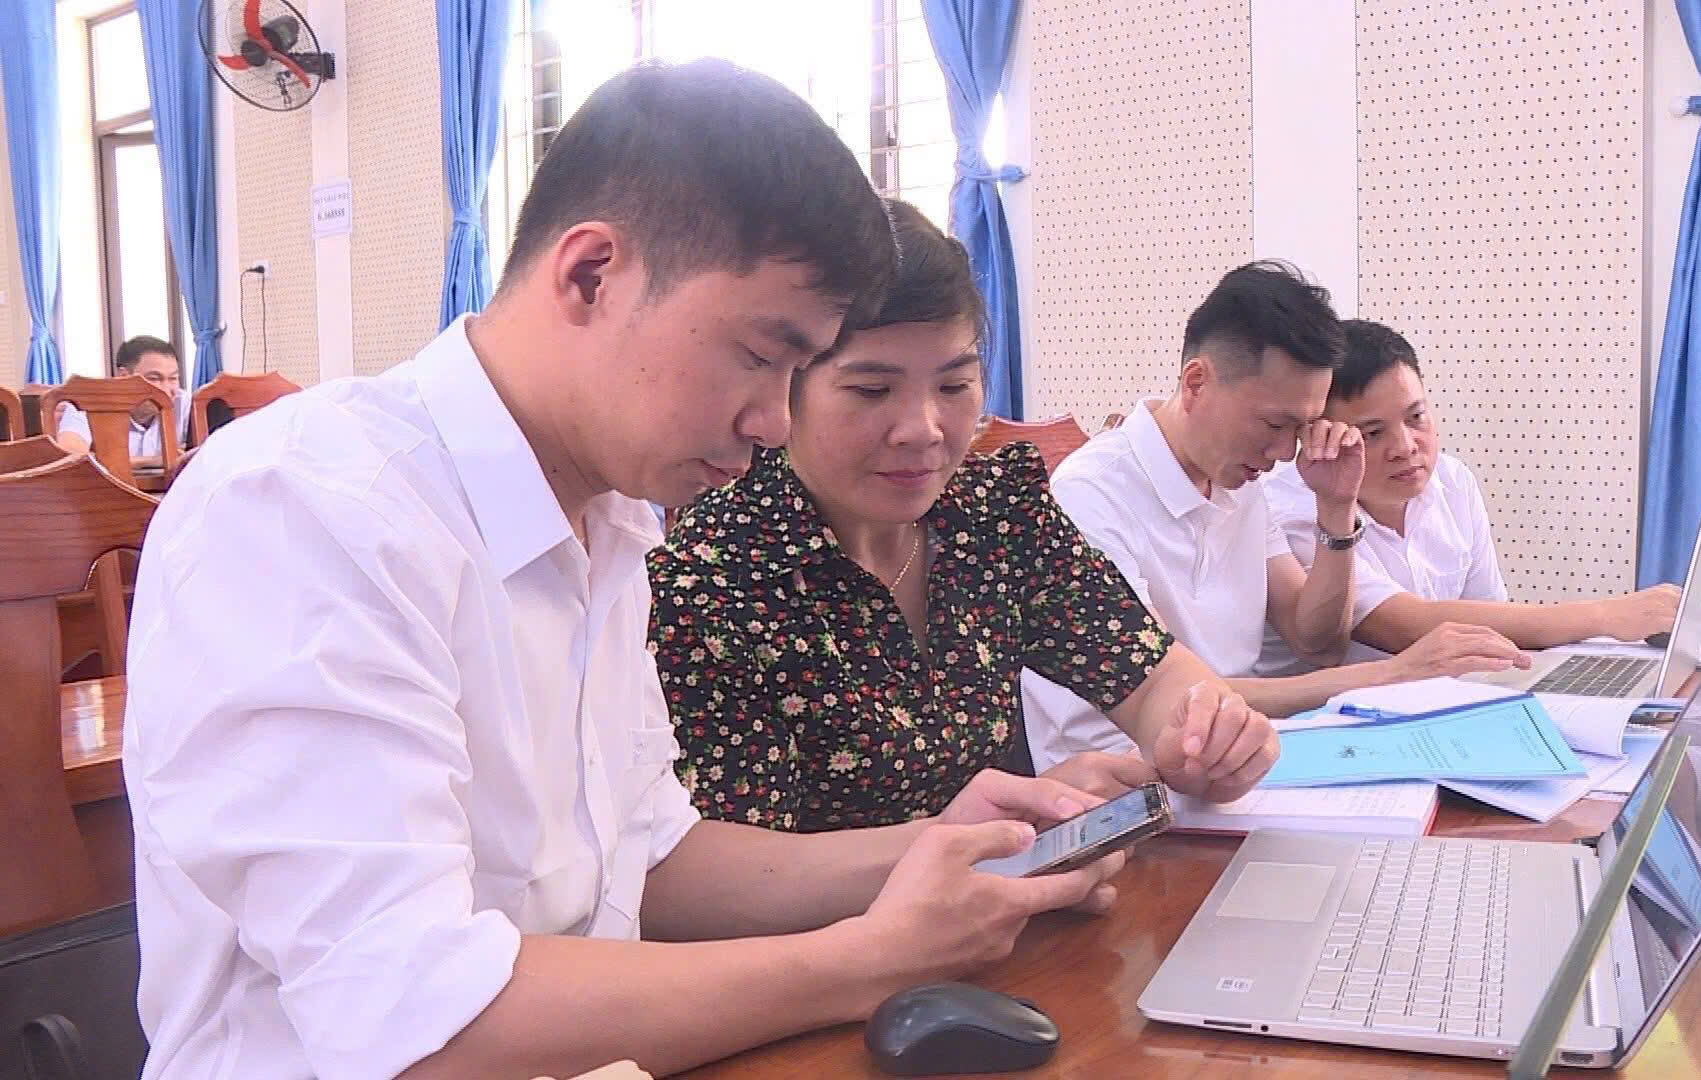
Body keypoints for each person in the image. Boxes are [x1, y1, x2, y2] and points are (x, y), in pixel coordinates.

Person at [123, 61, 1129, 1080]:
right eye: (761, 355)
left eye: (798, 373)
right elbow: (415, 1018)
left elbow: (650, 861)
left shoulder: (612, 524)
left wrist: (932, 846)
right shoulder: (307, 508)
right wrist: (866, 963)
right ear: (591, 275)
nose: (773, 422)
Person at [649, 201, 1279, 833]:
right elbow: (717, 864)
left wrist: (1199, 737)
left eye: (954, 387)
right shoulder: (715, 579)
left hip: (1009, 885)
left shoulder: (991, 513)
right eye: (872, 390)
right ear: (786, 389)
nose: (924, 429)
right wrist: (968, 835)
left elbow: (1149, 674)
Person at [1021, 263, 1527, 773]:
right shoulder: (1090, 495)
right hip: (1125, 777)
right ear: (1196, 383)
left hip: (1240, 757)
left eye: (1301, 428)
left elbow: (1317, 643)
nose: (1286, 451)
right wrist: (1389, 676)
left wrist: (1335, 508)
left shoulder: (1238, 483)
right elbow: (1169, 697)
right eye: (1274, 424)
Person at [1263, 319, 1699, 655]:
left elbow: (1491, 618)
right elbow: (1403, 626)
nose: (1406, 447)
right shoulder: (1294, 507)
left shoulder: (1452, 481)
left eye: (1416, 417)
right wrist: (1605, 616)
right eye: (1373, 433)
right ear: (1321, 436)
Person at [51, 335, 189, 461]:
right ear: (124, 376)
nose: (166, 390)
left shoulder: (184, 403)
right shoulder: (86, 404)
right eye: (154, 378)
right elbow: (71, 457)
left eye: (173, 378)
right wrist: (151, 461)